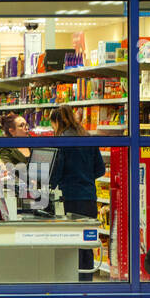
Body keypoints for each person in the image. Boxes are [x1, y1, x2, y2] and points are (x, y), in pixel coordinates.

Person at [47, 106, 105, 282]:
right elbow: (100, 169)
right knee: (85, 244)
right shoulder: (87, 137)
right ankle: (86, 281)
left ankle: (71, 282)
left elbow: (56, 171)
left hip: (69, 199)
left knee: (70, 243)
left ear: (57, 122)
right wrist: (85, 177)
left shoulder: (62, 141)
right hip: (88, 198)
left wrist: (48, 185)